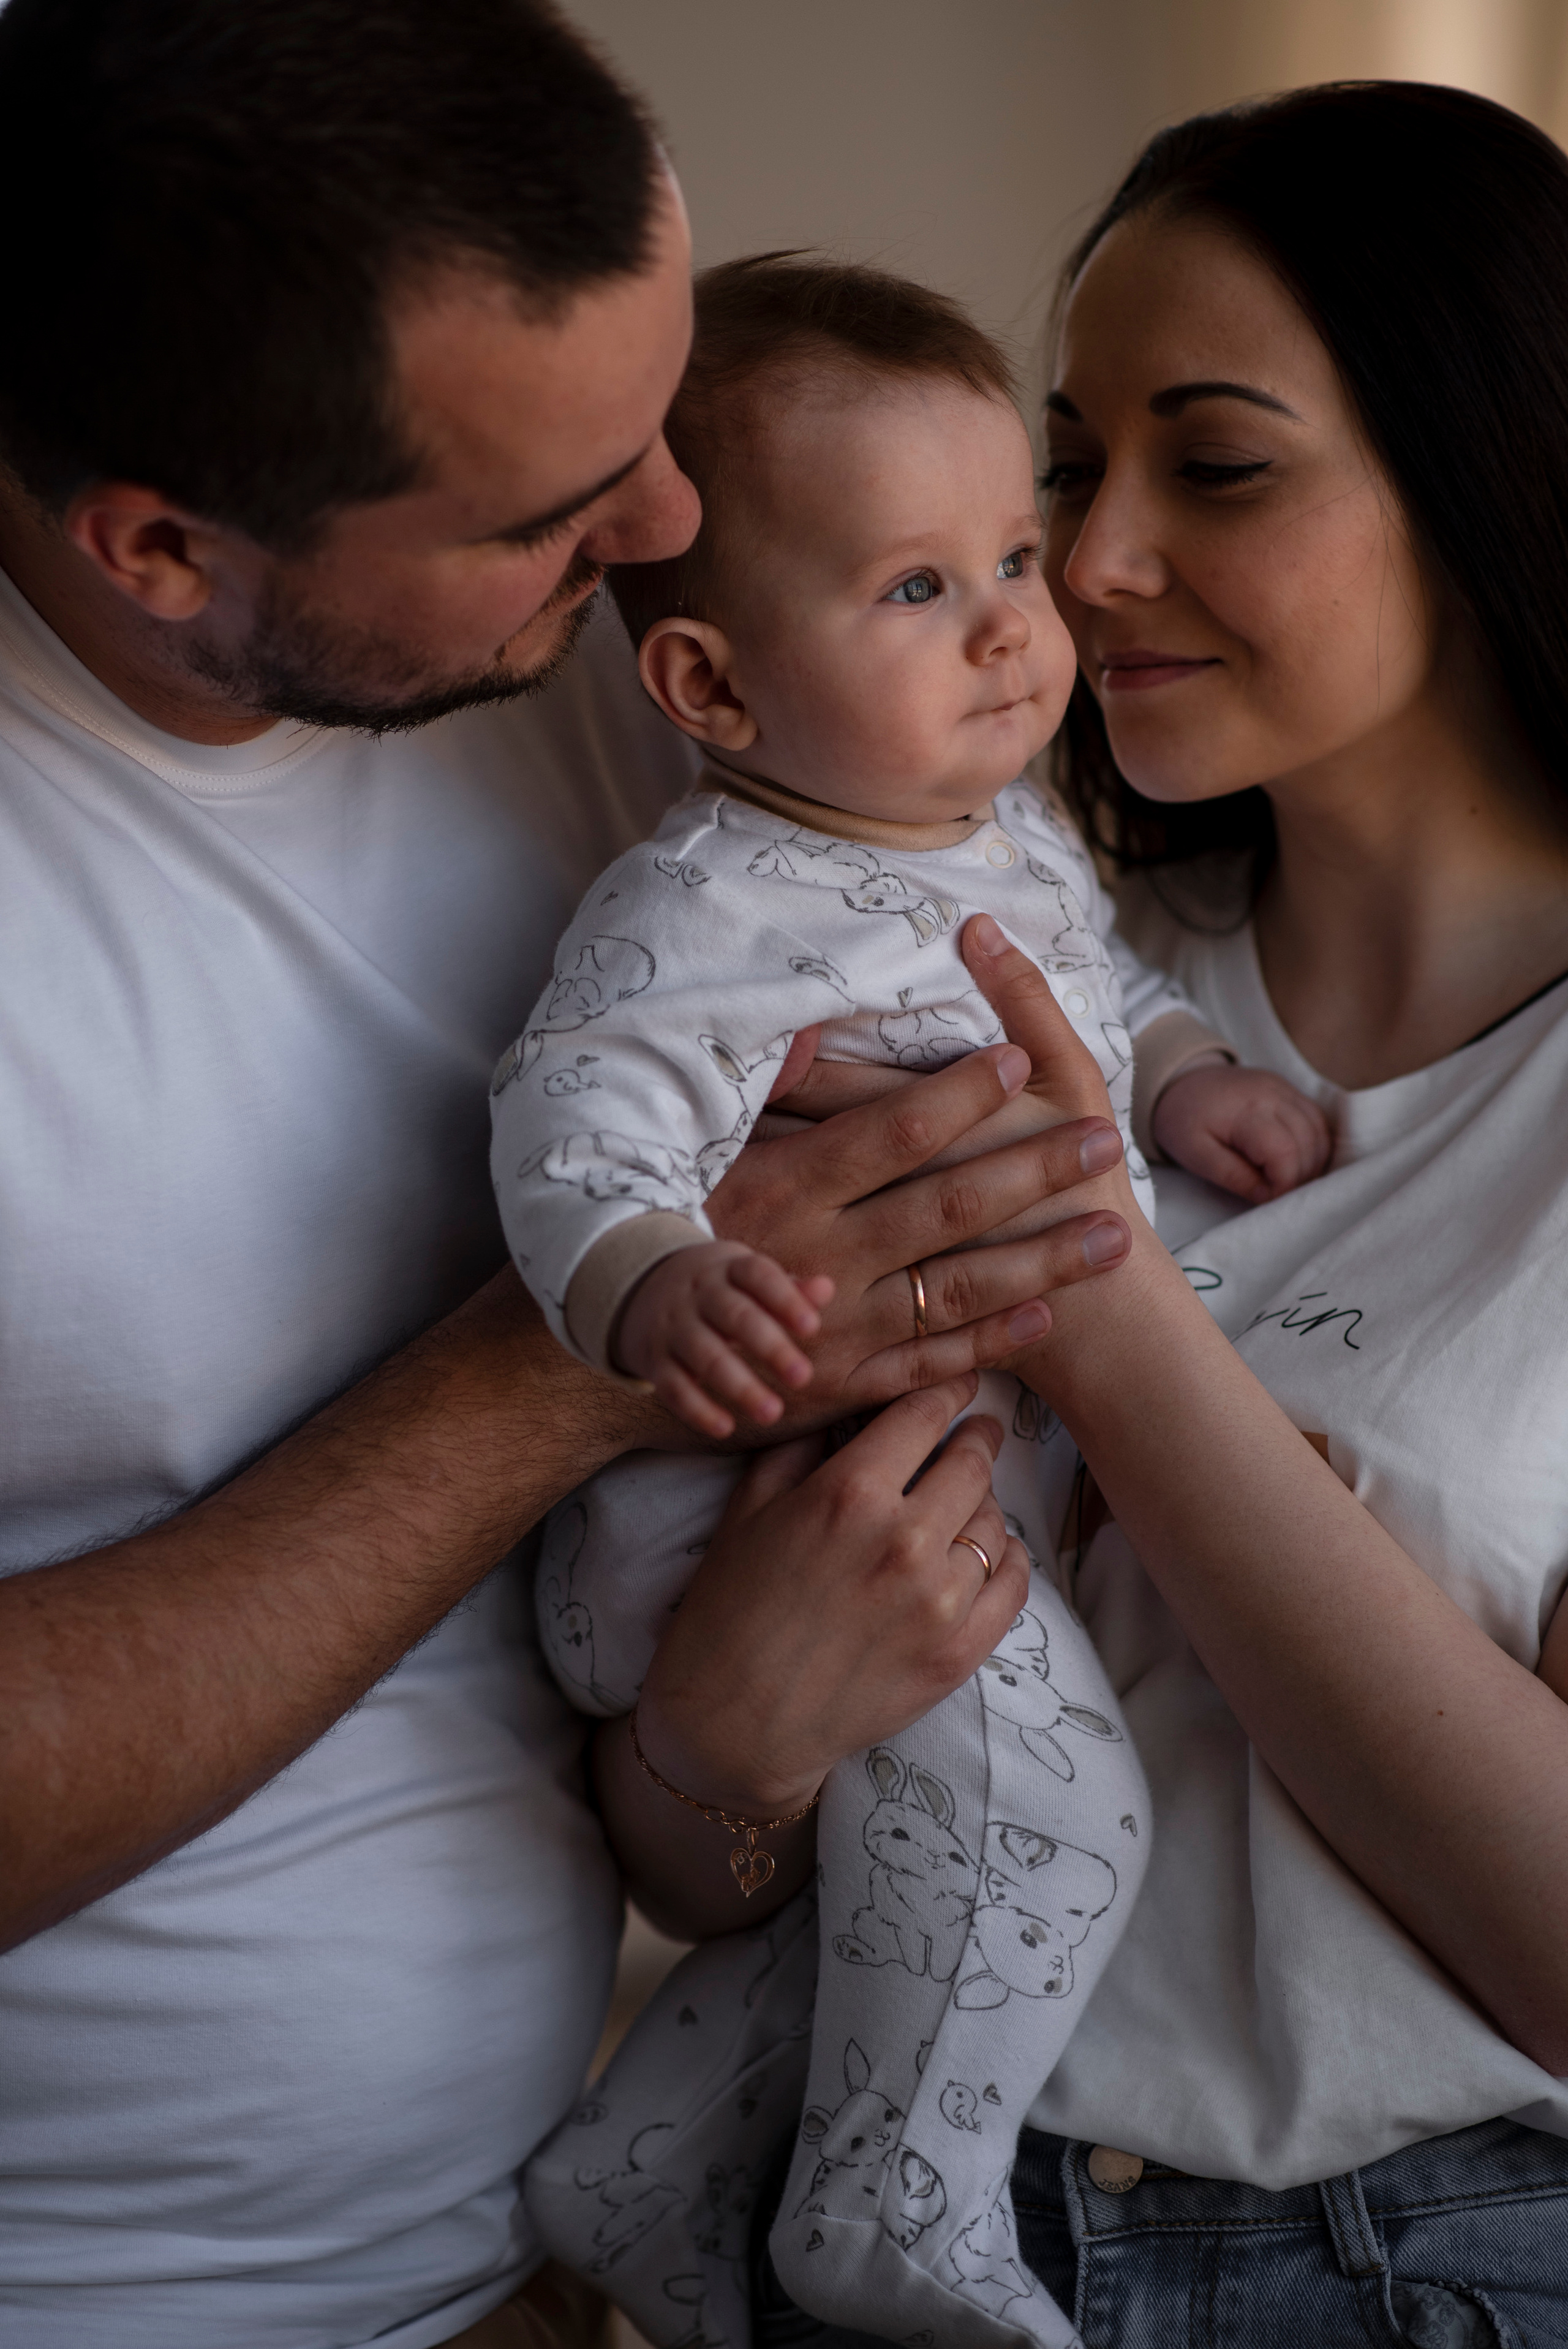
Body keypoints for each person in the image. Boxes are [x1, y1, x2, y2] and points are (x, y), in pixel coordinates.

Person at [0, 7, 1137, 2347]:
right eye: (552, 510)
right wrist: (570, 1370)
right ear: (163, 547)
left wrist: (725, 1761)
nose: (662, 533)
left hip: (531, 2267)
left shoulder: (670, 687)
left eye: (663, 405)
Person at [500, 254, 1325, 2349]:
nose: (1018, 628)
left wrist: (1180, 1072)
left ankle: (640, 2159)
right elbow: (582, 1102)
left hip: (933, 1484)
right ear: (707, 687)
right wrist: (649, 1276)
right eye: (915, 588)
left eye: (1015, 561)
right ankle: (891, 2208)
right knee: (1056, 1813)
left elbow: (1098, 984)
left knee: (912, 1892)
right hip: (773, 1499)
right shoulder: (708, 902)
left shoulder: (1003, 832)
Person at [957, 79, 1568, 2349]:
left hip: (1423, 2274)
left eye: (1212, 464)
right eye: (1070, 462)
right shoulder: (1003, 985)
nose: (1086, 558)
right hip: (895, 2234)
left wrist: (1117, 1346)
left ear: (1490, 467)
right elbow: (720, 1808)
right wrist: (716, 1755)